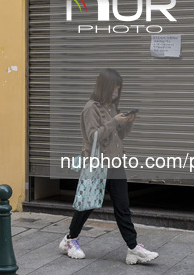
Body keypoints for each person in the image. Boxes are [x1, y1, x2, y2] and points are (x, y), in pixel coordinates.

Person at [59, 68, 159, 265]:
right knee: (87, 204)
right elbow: (93, 136)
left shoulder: (111, 107)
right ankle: (70, 240)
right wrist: (114, 122)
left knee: (122, 207)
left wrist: (128, 123)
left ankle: (132, 248)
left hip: (115, 163)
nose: (116, 93)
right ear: (105, 87)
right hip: (97, 164)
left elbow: (117, 137)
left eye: (118, 89)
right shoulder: (91, 108)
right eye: (114, 89)